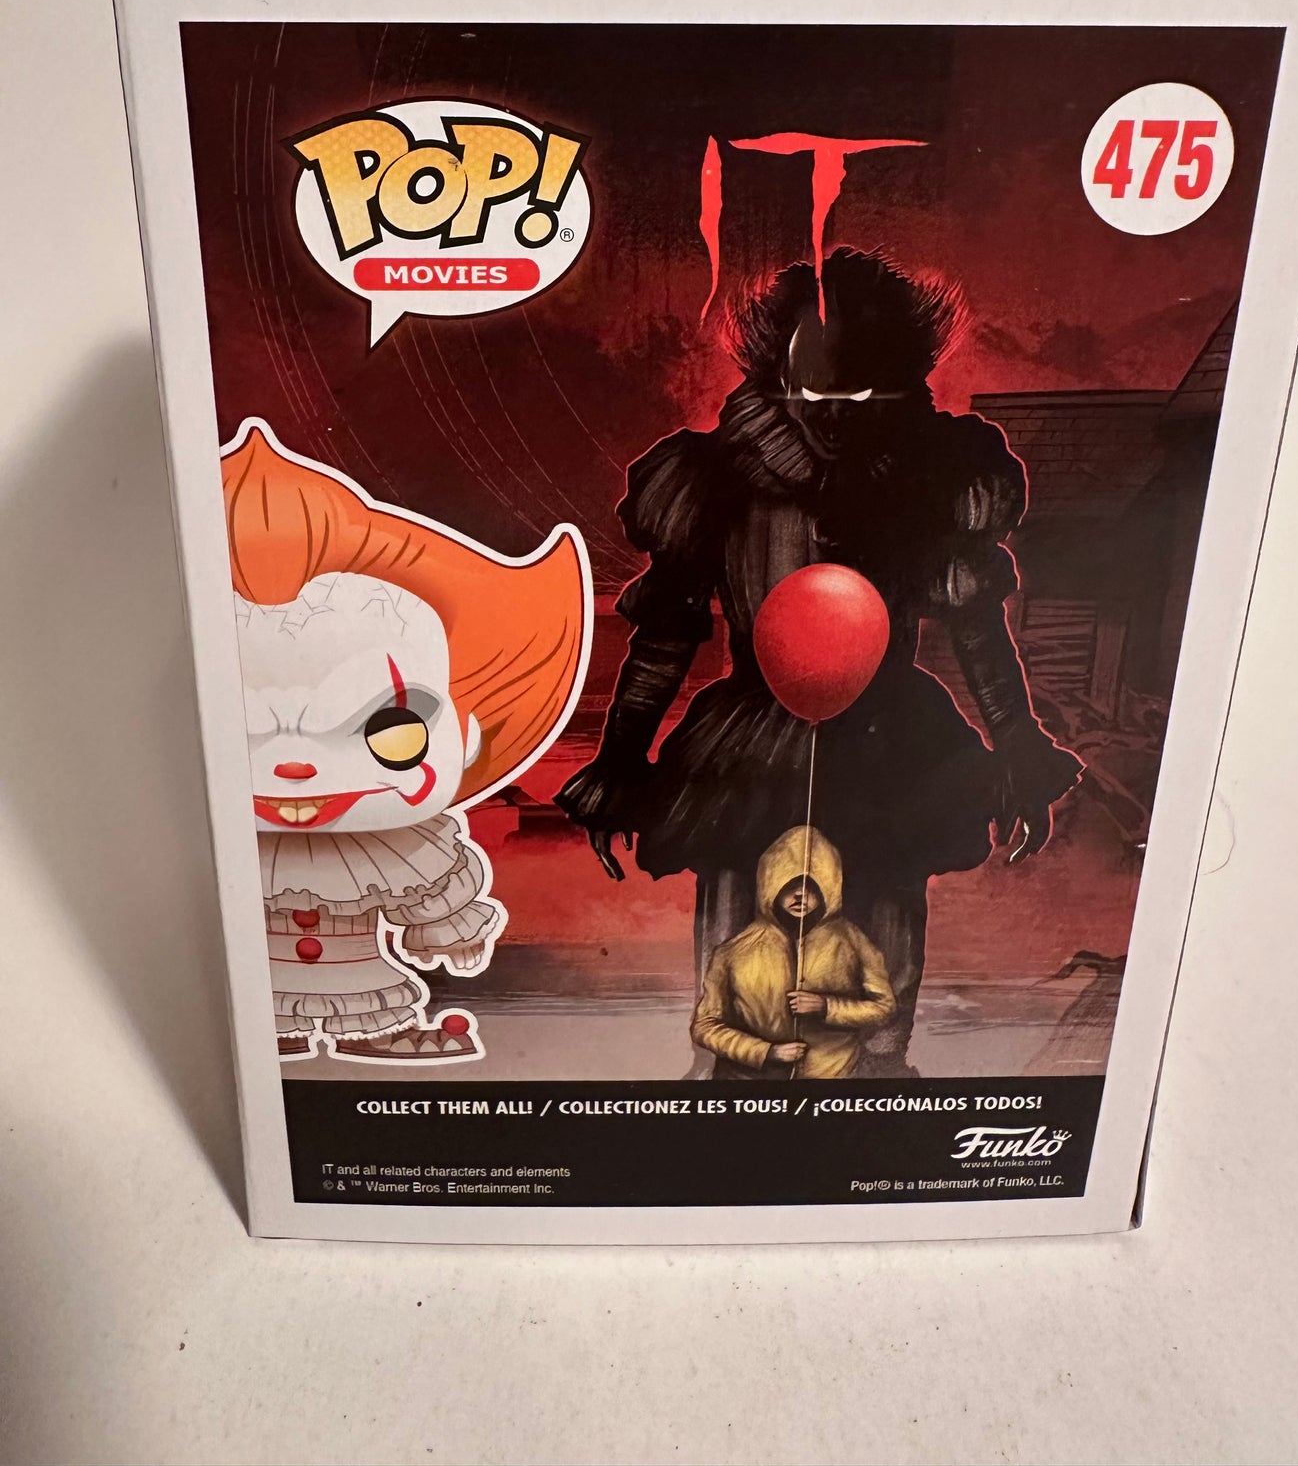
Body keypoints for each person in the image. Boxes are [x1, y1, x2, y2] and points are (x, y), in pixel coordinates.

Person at [558, 248, 1083, 1074]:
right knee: (738, 923)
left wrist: (1016, 743)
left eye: (861, 396)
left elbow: (976, 626)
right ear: (779, 377)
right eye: (814, 394)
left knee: (883, 917)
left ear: (899, 385)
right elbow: (665, 631)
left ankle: (877, 1078)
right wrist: (620, 759)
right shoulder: (713, 479)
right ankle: (728, 1082)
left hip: (889, 737)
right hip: (750, 738)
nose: (835, 416)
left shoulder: (932, 476)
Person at [223, 421, 588, 1062]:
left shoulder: (406, 849)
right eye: (231, 730)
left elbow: (432, 896)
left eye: (389, 731)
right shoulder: (215, 847)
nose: (296, 767)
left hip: (366, 979)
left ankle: (374, 1028)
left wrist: (451, 931)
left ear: (467, 733)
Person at [691, 826, 894, 1079]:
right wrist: (765, 1052)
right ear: (770, 886)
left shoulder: (853, 942)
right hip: (751, 1085)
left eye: (811, 886)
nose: (800, 894)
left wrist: (827, 1007)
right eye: (790, 885)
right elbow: (705, 1026)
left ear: (828, 888)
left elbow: (884, 1008)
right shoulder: (733, 952)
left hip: (832, 1080)